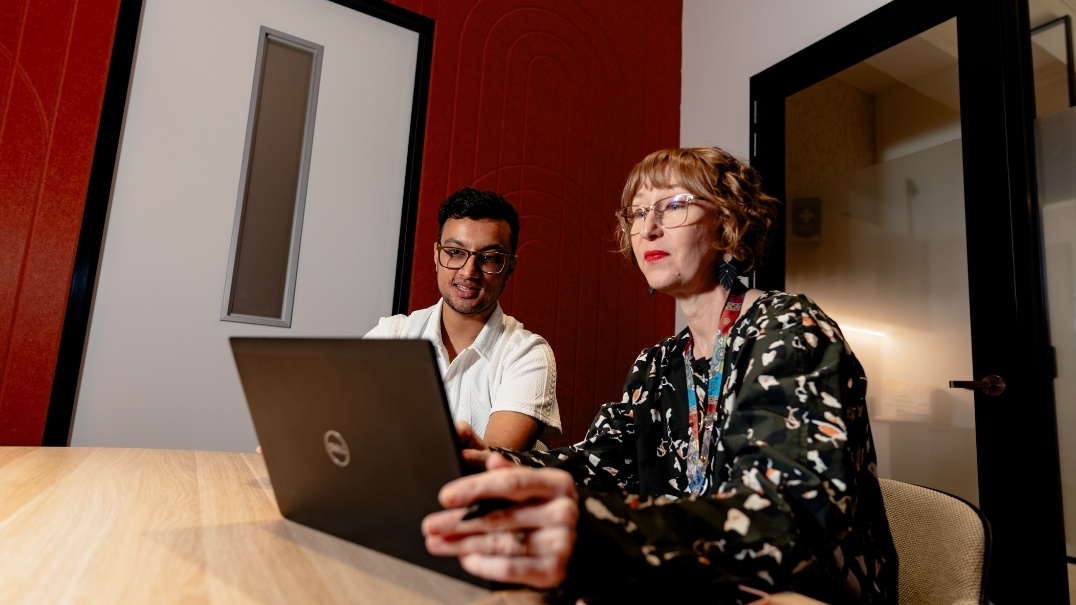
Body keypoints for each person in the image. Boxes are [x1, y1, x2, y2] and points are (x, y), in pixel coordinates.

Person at [421, 148, 898, 603]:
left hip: (804, 593)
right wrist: (493, 464)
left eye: (673, 207)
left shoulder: (790, 330)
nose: (647, 229)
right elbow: (594, 467)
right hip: (699, 581)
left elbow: (786, 521)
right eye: (636, 213)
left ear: (728, 221)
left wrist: (594, 529)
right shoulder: (658, 364)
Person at [366, 187, 561, 451]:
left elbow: (489, 469)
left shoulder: (527, 355)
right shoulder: (390, 337)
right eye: (455, 252)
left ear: (510, 267)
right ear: (437, 255)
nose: (469, 271)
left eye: (489, 258)